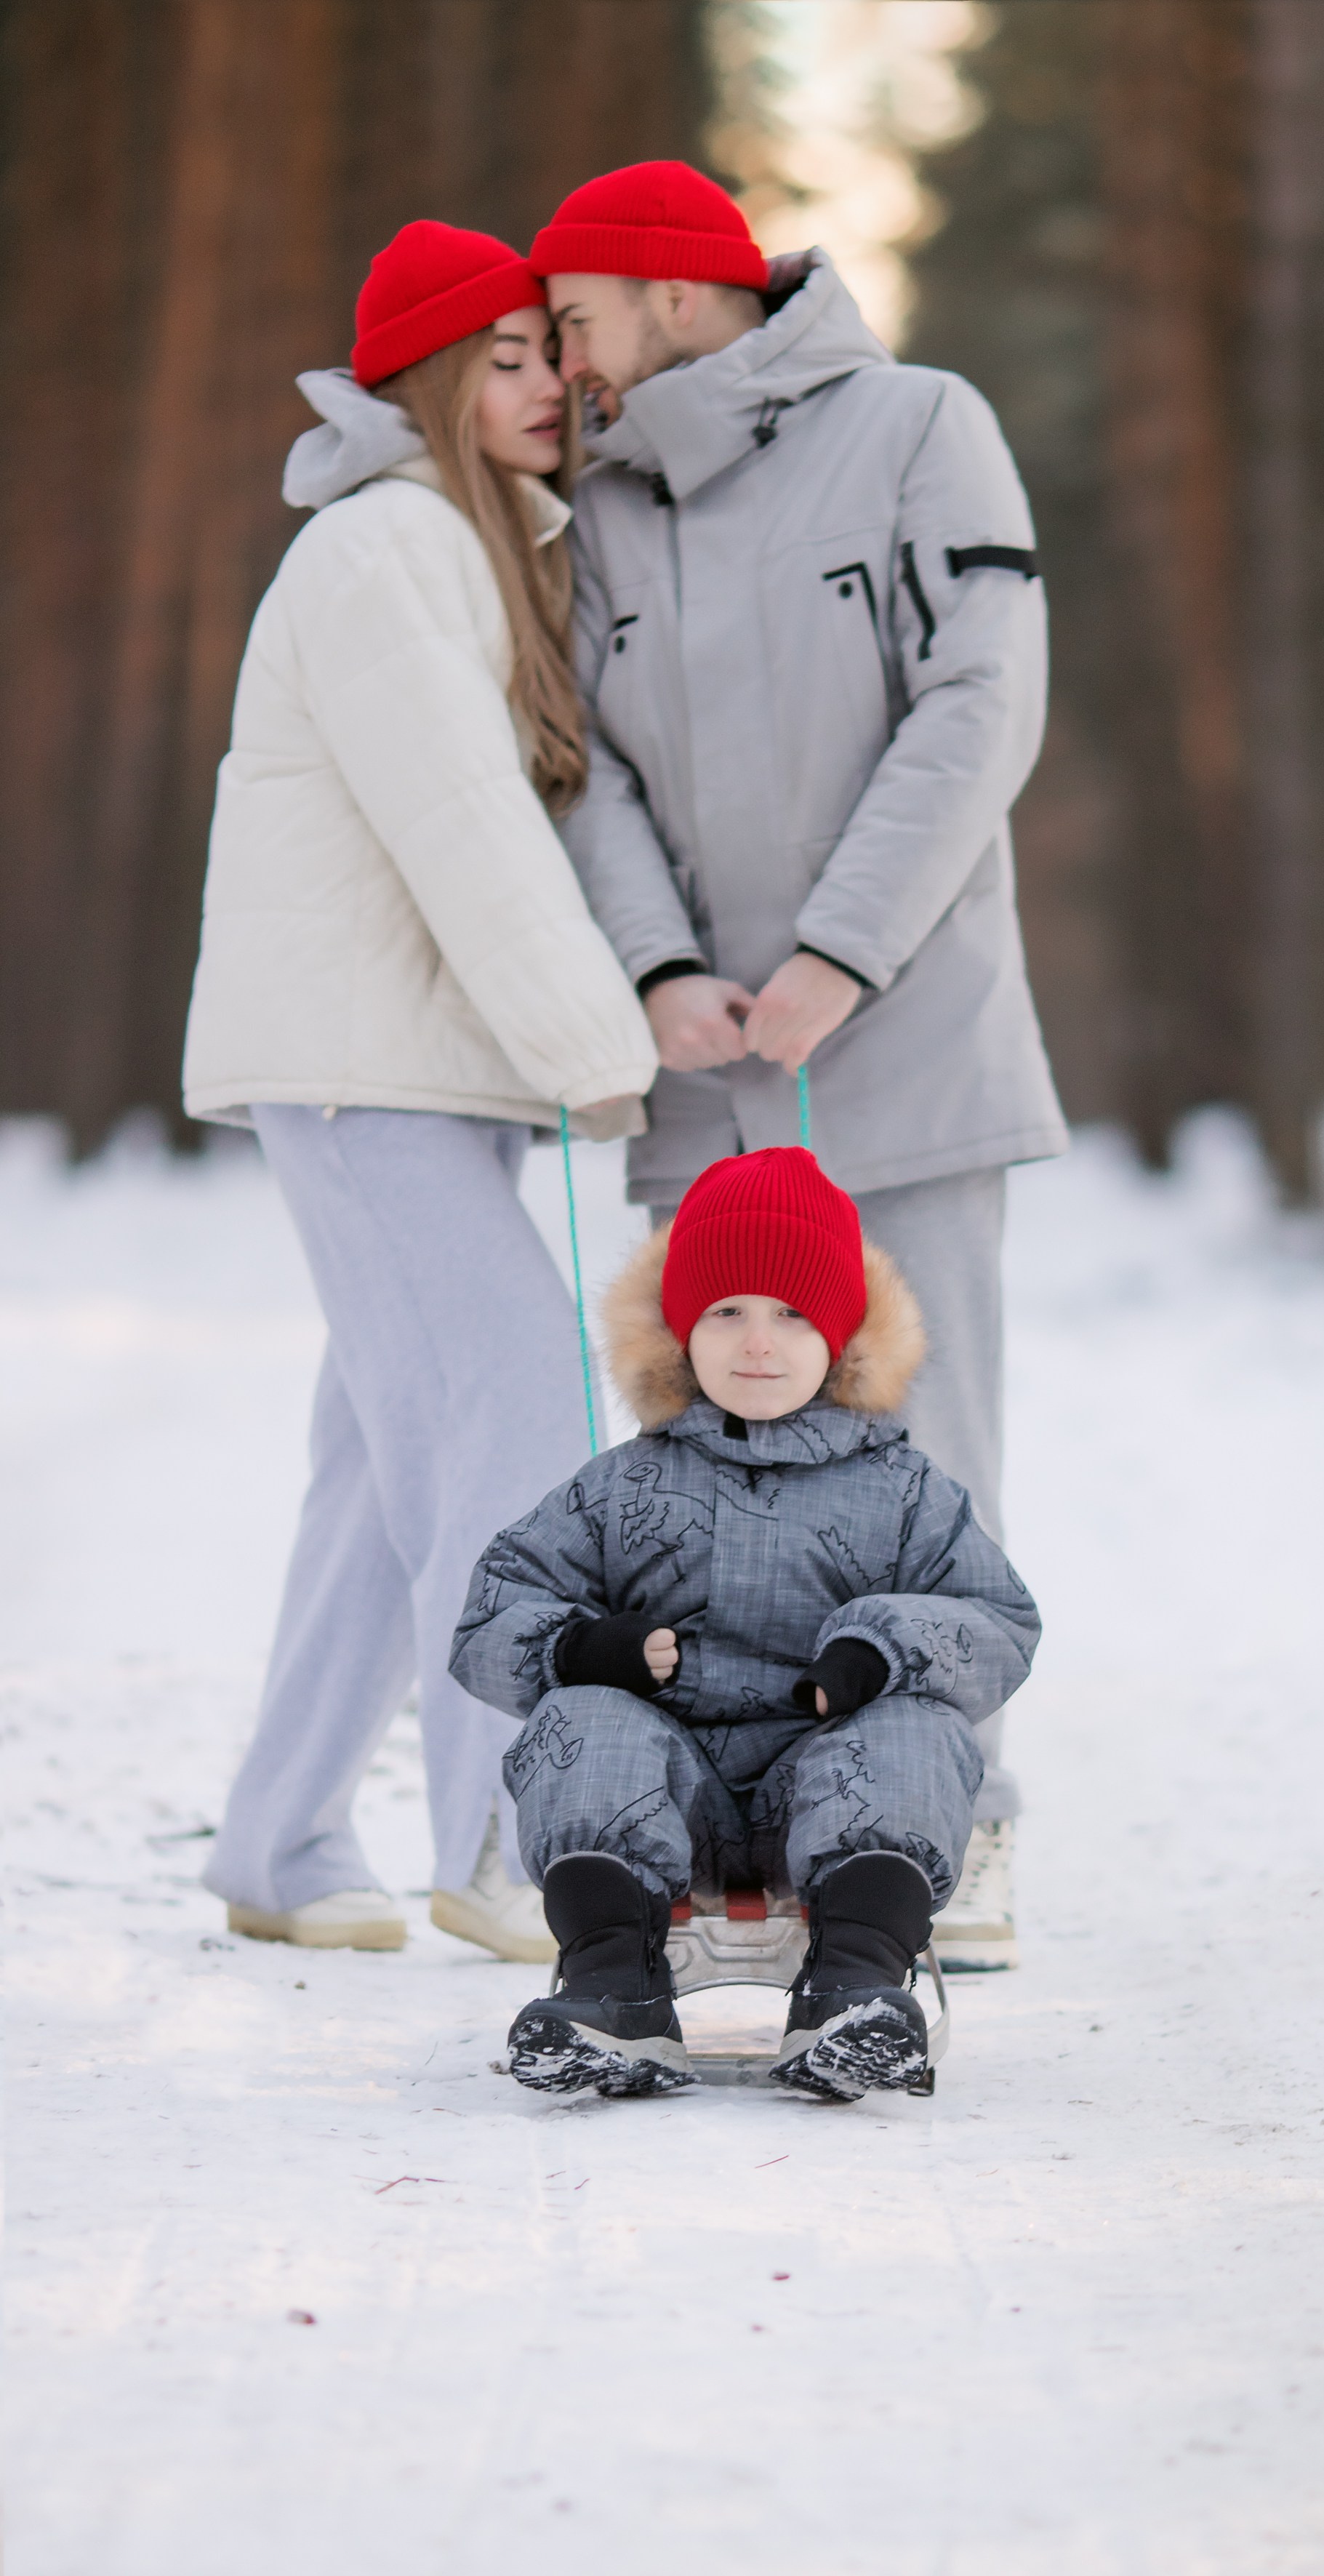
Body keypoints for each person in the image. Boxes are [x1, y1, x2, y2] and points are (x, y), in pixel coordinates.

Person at [530, 161, 1070, 1970]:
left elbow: (979, 700)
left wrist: (842, 949)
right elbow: (583, 767)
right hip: (705, 1066)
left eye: (579, 317)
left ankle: (954, 1822)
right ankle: (729, 1844)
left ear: (673, 290)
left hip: (899, 1034)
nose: (565, 360)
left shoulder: (922, 426)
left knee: (922, 1440)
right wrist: (663, 968)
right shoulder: (594, 505)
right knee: (697, 1462)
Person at [182, 221, 657, 1960]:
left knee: (385, 1463)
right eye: (513, 356)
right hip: (350, 1066)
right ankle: (506, 1837)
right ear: (433, 380)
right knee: (518, 1391)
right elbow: (466, 833)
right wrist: (604, 1056)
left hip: (404, 1070)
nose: (552, 384)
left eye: (558, 351)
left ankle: (282, 1836)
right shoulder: (389, 546)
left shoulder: (474, 549)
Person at [450, 1147, 1040, 2099]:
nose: (756, 1342)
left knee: (916, 1734)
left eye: (792, 1313)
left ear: (845, 1335)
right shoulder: (621, 1486)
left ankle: (854, 1987)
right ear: (680, 1330)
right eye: (725, 1311)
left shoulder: (904, 1490)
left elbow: (998, 1620)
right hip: (664, 1785)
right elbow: (491, 1613)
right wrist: (580, 1646)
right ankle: (613, 1990)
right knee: (581, 1724)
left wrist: (883, 1645)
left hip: (834, 1780)